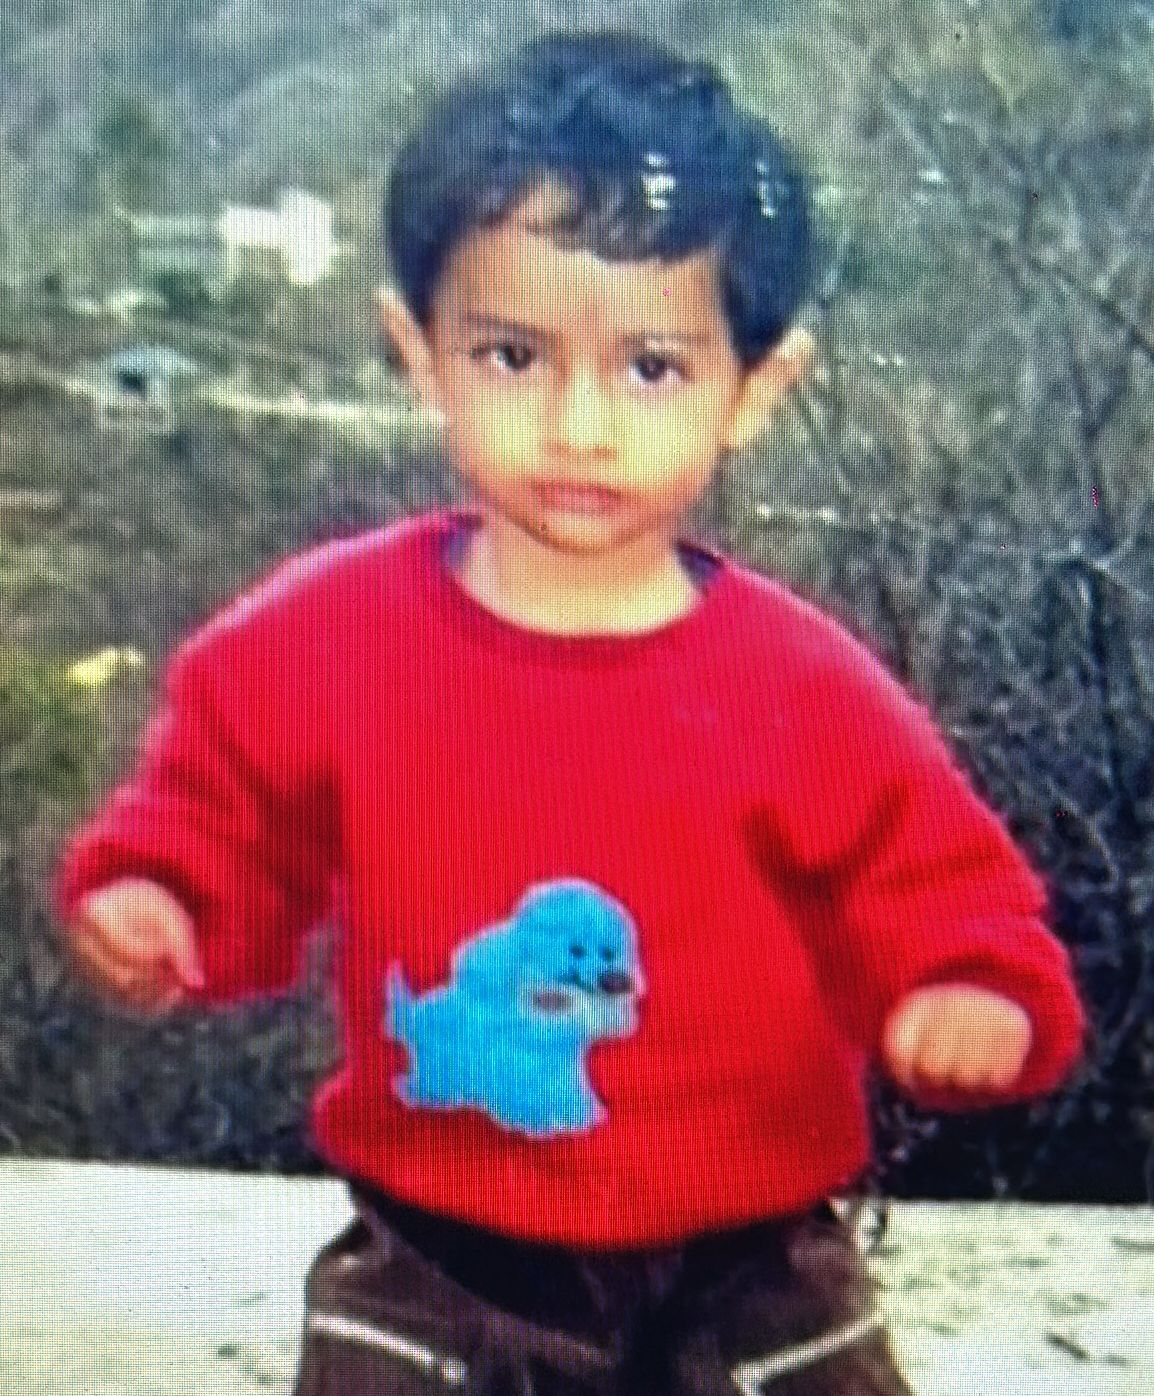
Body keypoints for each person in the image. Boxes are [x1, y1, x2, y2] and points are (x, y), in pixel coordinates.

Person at [53, 28, 1087, 1396]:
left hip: (752, 1259)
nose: (579, 424)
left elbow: (936, 880)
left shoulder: (800, 684)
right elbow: (218, 809)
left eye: (650, 367)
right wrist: (163, 900)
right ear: (419, 353)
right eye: (512, 355)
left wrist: (969, 990)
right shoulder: (325, 639)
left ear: (753, 390)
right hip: (440, 1255)